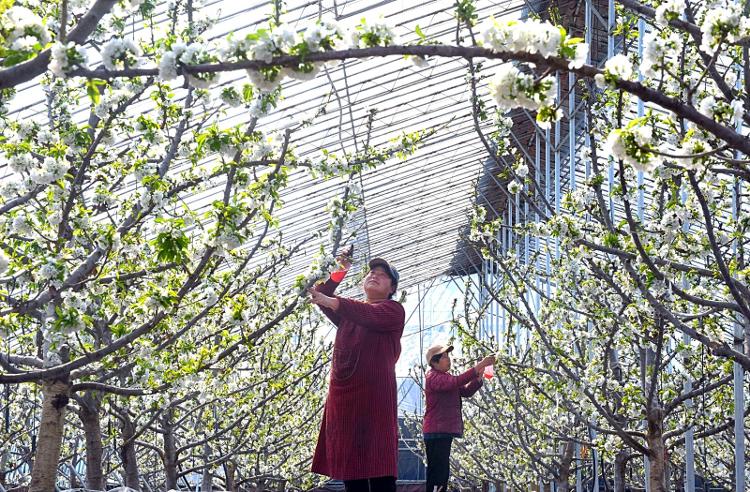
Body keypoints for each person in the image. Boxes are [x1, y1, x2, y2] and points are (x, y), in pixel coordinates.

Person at [307, 251, 405, 492]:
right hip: (345, 403)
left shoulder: (393, 310)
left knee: (380, 469)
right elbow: (321, 293)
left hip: (375, 403)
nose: (374, 276)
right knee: (351, 471)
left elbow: (368, 314)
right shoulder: (349, 314)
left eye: (382, 275)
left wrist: (333, 302)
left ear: (392, 288)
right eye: (371, 272)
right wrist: (340, 269)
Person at [422, 344, 495, 492]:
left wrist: (479, 376)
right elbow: (456, 382)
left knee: (442, 471)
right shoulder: (433, 377)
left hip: (442, 431)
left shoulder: (445, 377)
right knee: (438, 473)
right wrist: (479, 366)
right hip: (436, 432)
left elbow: (466, 391)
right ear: (434, 362)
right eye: (444, 357)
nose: (448, 359)